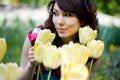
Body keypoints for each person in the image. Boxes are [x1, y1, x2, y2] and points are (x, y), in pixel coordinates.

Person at [18, 0, 101, 80]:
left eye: (68, 15)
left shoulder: (92, 48)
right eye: (55, 13)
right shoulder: (38, 37)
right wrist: (31, 65)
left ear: (83, 19)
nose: (59, 22)